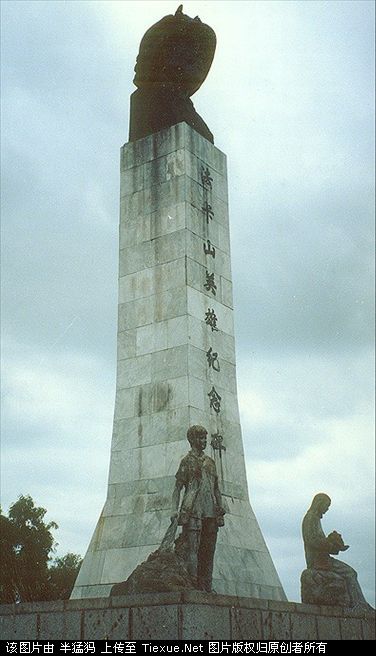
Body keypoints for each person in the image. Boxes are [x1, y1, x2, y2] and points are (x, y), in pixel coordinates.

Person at [171, 425, 225, 592]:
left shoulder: (210, 462)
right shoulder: (187, 461)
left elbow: (216, 487)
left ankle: (206, 585)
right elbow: (177, 487)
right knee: (193, 549)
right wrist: (174, 509)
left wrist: (220, 507)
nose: (204, 441)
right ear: (192, 440)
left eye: (204, 438)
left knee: (208, 551)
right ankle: (193, 584)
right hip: (193, 510)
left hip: (211, 511)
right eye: (200, 438)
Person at [302, 493, 372, 610]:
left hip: (323, 559)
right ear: (319, 503)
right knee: (350, 573)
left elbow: (319, 542)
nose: (327, 509)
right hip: (318, 561)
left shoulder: (314, 518)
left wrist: (334, 546)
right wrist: (330, 542)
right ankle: (359, 605)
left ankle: (359, 604)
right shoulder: (310, 518)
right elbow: (312, 541)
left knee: (350, 573)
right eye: (326, 506)